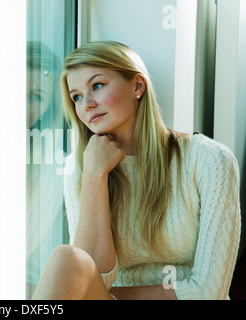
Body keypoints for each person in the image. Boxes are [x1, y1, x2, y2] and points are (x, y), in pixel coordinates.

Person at [32, 41, 241, 300]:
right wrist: (94, 177)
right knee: (67, 259)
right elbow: (94, 275)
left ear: (137, 86)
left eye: (96, 86)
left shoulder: (209, 160)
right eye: (76, 97)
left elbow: (209, 291)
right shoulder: (82, 168)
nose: (86, 104)